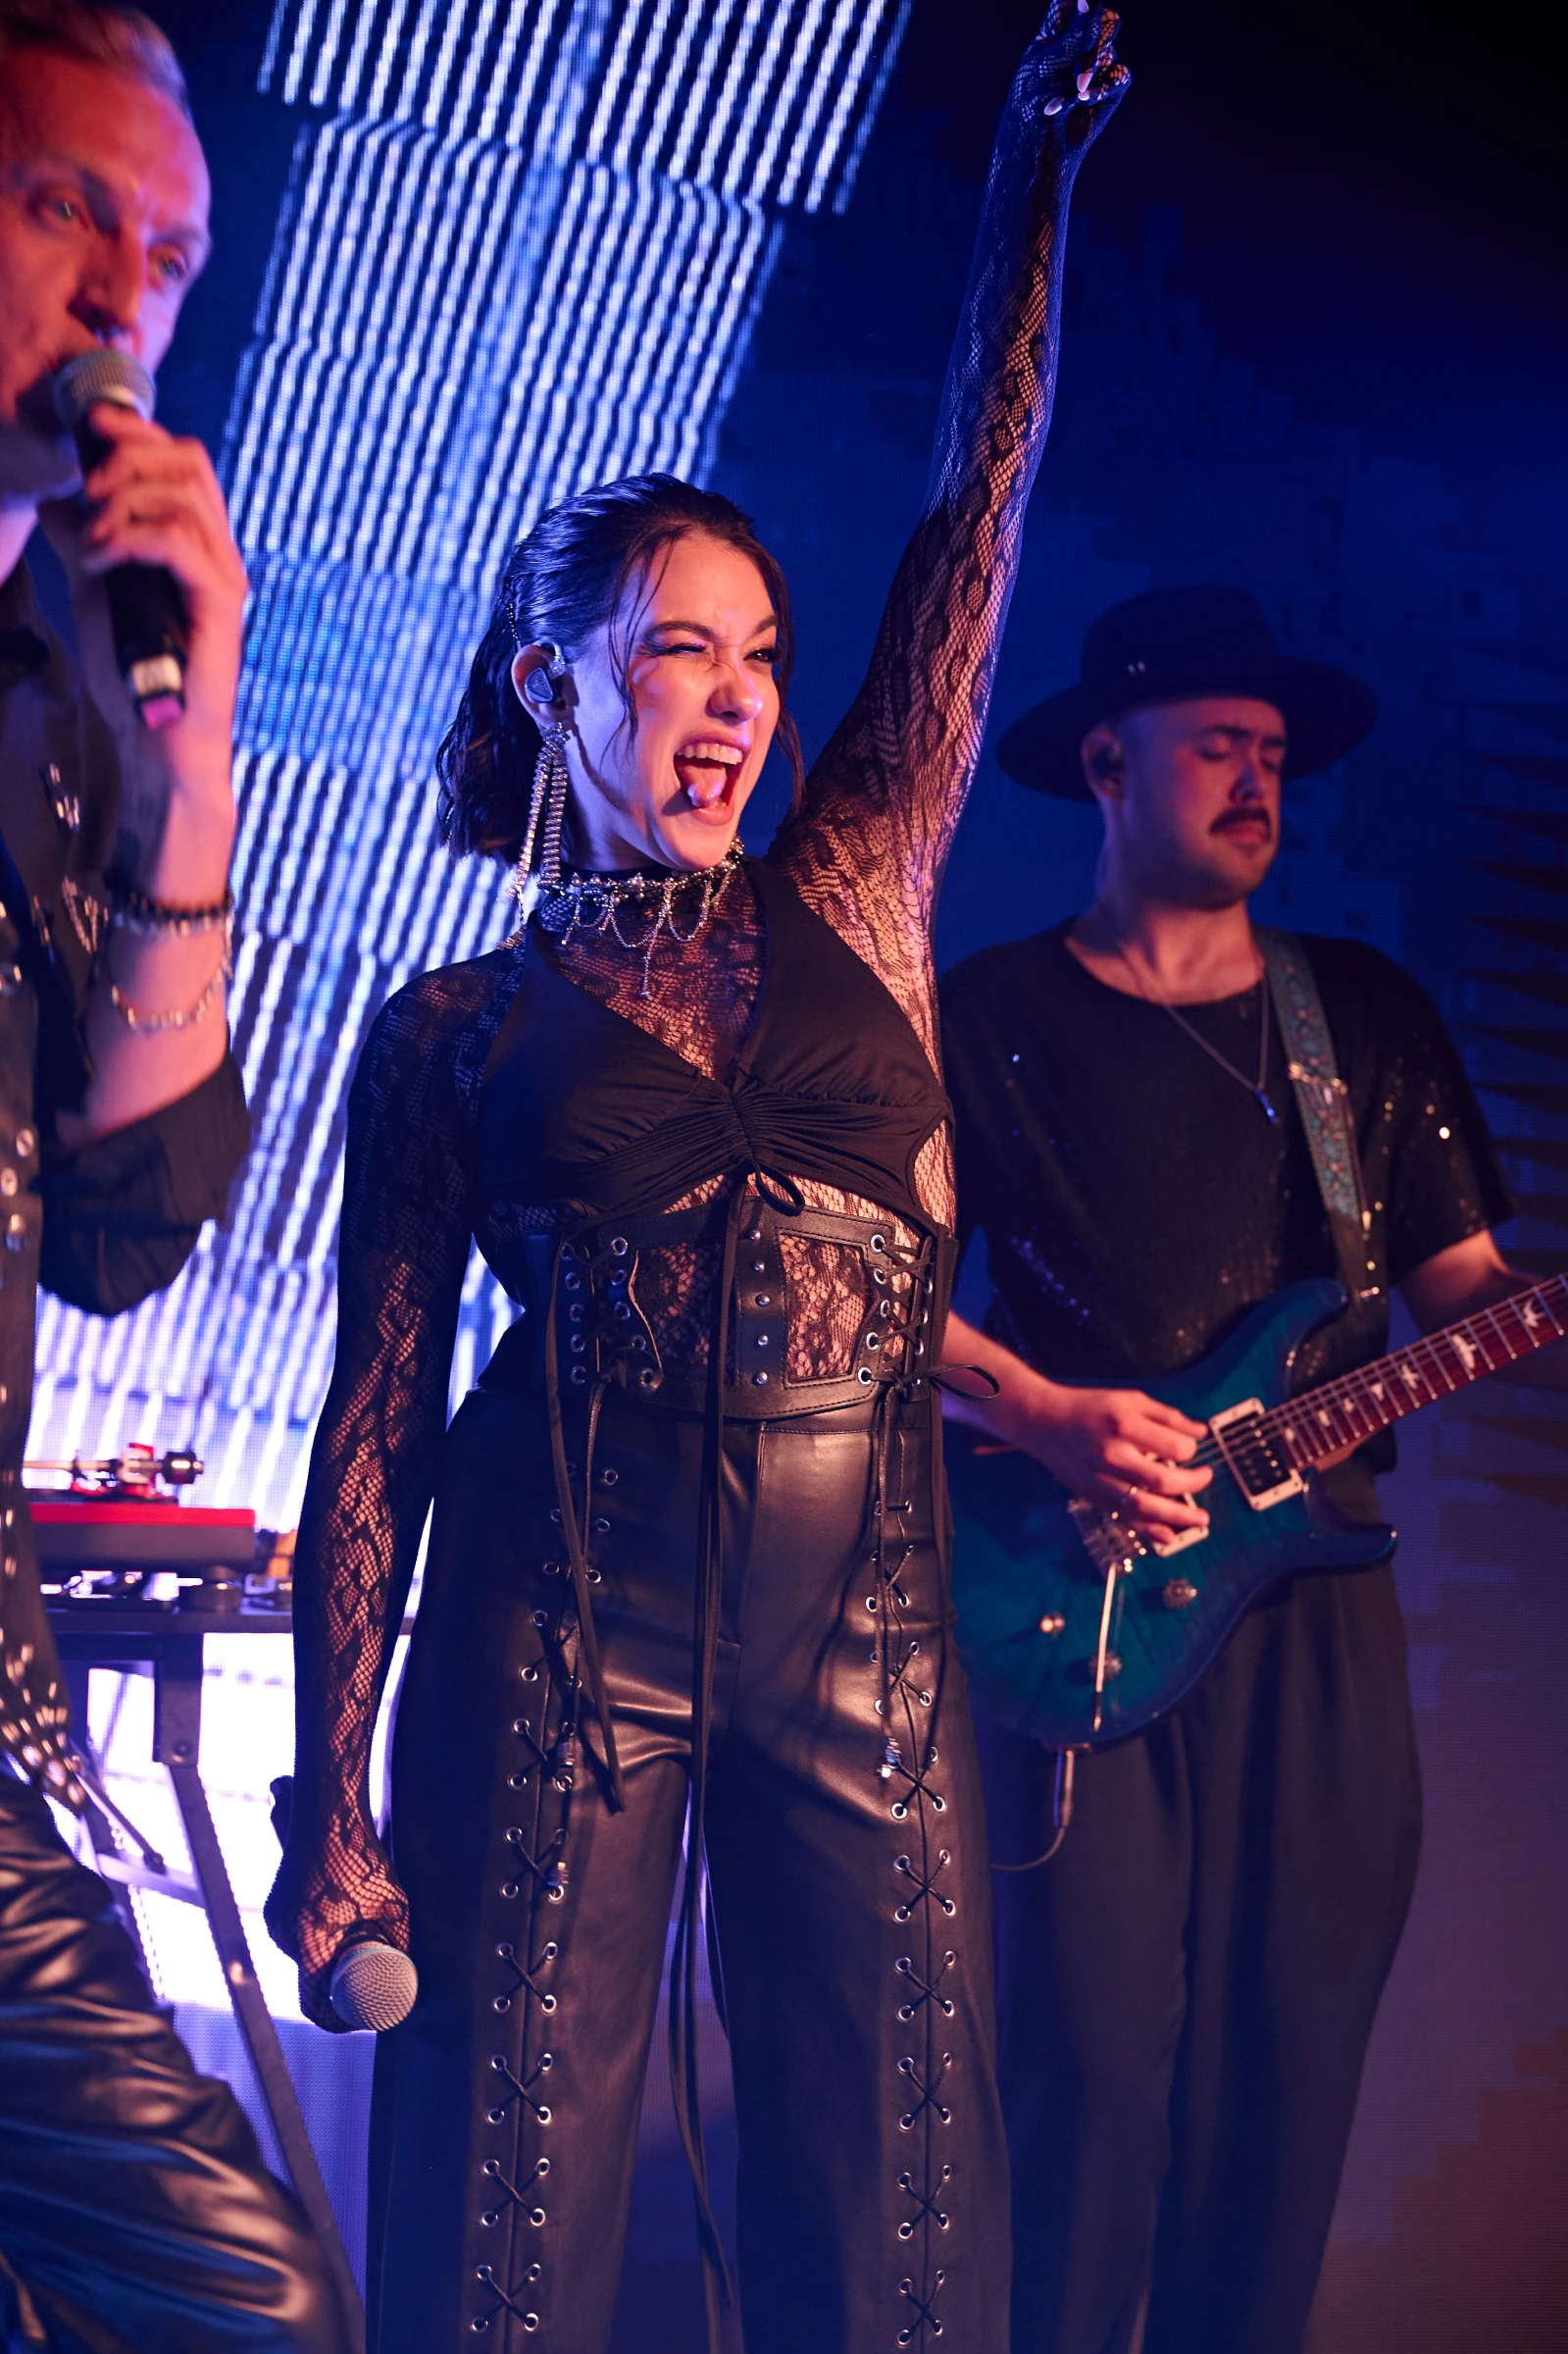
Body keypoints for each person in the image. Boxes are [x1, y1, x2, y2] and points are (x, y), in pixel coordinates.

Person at [263, 12, 1129, 2351]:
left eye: (756, 653)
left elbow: (967, 529)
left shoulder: (858, 878)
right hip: (552, 1628)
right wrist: (326, 1794)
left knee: (906, 2221)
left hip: (870, 1629)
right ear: (551, 688)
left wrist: (1031, 186)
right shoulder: (448, 1028)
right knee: (503, 2219)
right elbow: (367, 1425)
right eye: (672, 654)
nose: (734, 697)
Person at [938, 584, 1567, 2354]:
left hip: (1311, 1606)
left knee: (1281, 2091)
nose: (1256, 779)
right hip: (1081, 1592)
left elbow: (1458, 1294)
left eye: (1274, 754)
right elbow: (878, 1311)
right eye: (1218, 743)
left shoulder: (1354, 1014)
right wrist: (1045, 1414)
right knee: (1085, 2078)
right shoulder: (983, 1015)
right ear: (1103, 764)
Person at [0, 6, 343, 2347]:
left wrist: (197, 740)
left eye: (177, 256)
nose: (128, 293)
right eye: (66, 208)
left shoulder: (60, 697)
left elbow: (124, 1227)